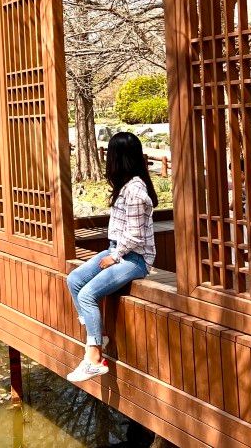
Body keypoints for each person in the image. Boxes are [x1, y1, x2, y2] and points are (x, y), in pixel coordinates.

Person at [66, 131, 157, 383]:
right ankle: (96, 335)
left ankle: (94, 358)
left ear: (119, 158)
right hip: (116, 249)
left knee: (87, 294)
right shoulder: (126, 186)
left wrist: (114, 256)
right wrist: (112, 253)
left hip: (134, 258)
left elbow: (136, 236)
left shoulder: (136, 192)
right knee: (74, 280)